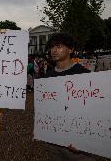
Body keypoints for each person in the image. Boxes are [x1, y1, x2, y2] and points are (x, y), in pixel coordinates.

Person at [43, 32, 93, 161]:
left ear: (71, 49)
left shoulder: (85, 75)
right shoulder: (47, 77)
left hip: (79, 147)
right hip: (54, 142)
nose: (54, 50)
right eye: (52, 47)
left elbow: (93, 112)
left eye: (59, 46)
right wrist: (40, 128)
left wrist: (84, 140)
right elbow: (45, 106)